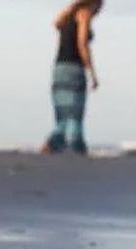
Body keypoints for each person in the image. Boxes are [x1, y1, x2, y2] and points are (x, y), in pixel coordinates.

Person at [41, 0, 102, 155]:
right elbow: (82, 43)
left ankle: (53, 144)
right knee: (75, 113)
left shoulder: (65, 16)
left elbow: (56, 25)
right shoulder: (84, 15)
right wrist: (92, 72)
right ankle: (77, 147)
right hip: (74, 68)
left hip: (59, 68)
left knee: (62, 114)